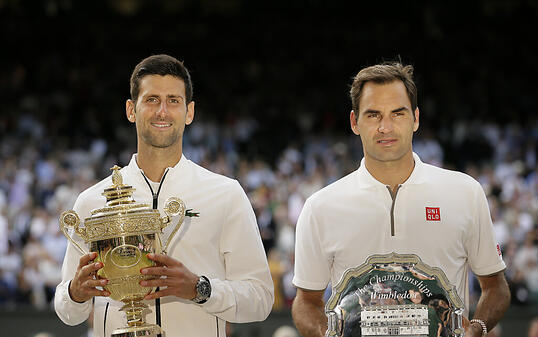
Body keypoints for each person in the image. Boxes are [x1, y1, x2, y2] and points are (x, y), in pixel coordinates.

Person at [54, 54, 274, 337]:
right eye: (152, 100)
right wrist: (75, 292)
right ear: (131, 110)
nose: (162, 111)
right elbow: (68, 313)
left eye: (173, 101)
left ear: (189, 111)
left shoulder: (226, 193)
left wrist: (200, 288)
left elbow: (261, 299)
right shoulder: (93, 201)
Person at [291, 62, 510, 337]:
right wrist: (327, 334)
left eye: (397, 113)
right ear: (354, 122)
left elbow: (496, 286)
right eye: (373, 115)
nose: (385, 127)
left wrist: (477, 329)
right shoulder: (320, 207)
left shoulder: (466, 192)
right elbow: (306, 302)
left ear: (415, 118)